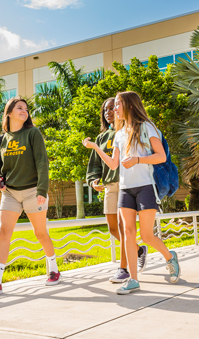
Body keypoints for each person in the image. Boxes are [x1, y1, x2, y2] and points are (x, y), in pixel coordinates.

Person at [82, 91, 180, 294]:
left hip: (145, 186)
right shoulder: (119, 134)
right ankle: (133, 279)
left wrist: (138, 160)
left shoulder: (147, 127)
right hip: (125, 189)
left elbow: (160, 156)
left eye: (117, 104)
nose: (114, 108)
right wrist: (95, 148)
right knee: (127, 233)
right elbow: (113, 163)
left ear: (130, 106)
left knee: (146, 236)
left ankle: (170, 257)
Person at [0, 97, 58, 296]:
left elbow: (42, 163)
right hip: (10, 192)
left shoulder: (32, 133)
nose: (24, 111)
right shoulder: (1, 140)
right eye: (19, 107)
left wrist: (42, 190)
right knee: (3, 233)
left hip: (32, 191)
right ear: (9, 112)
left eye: (26, 109)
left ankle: (53, 269)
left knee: (40, 233)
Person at [86, 97, 146, 284]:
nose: (108, 112)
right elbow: (95, 164)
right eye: (105, 109)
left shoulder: (128, 130)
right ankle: (137, 249)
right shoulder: (102, 138)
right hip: (110, 185)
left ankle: (123, 269)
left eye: (112, 107)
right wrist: (93, 180)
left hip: (126, 183)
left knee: (123, 227)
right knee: (113, 227)